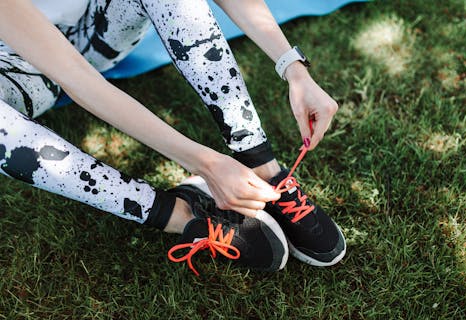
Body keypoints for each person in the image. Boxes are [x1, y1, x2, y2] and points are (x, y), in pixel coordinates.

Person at [0, 0, 345, 275]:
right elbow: (79, 81)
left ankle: (263, 168)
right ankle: (186, 214)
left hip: (90, 31)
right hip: (14, 71)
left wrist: (294, 70)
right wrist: (206, 163)